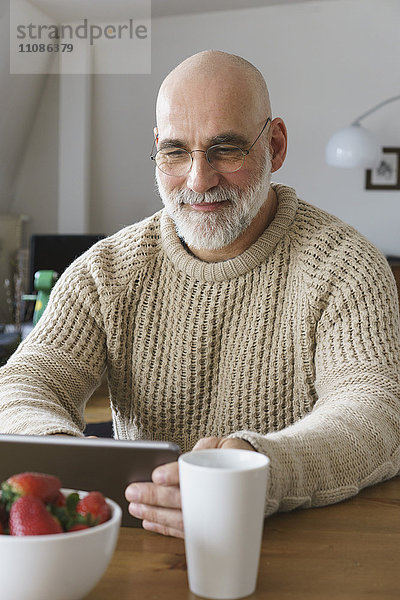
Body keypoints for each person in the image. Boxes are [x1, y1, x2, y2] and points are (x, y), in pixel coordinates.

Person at [1, 50, 399, 539]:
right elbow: (22, 383)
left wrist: (260, 470)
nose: (198, 179)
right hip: (141, 546)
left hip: (295, 548)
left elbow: (375, 413)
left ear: (274, 146)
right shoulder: (105, 273)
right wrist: (63, 459)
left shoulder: (347, 266)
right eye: (175, 151)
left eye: (225, 149)